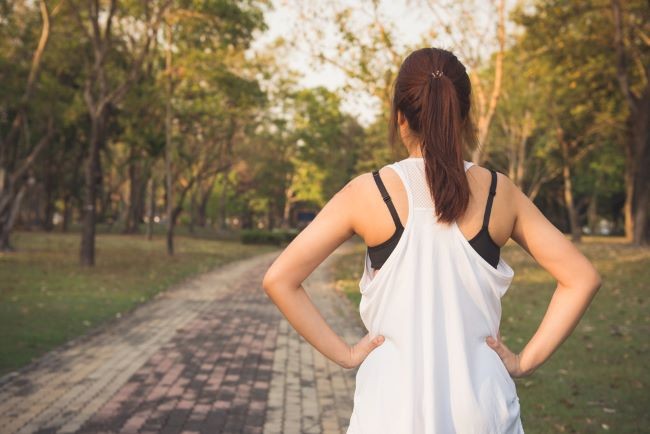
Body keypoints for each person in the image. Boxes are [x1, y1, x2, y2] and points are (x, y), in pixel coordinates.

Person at [262, 47, 601, 433]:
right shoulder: (498, 192)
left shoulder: (369, 192)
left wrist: (346, 354)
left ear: (400, 117)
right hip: (482, 410)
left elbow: (280, 279)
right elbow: (581, 278)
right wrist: (524, 362)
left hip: (389, 411)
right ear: (465, 115)